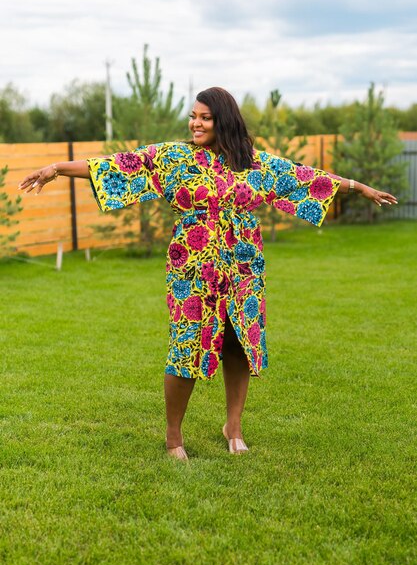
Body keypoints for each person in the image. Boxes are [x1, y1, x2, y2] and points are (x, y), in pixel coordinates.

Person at [19, 87, 398, 461]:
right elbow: (121, 164)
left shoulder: (254, 164)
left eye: (205, 117)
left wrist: (359, 187)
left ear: (223, 120)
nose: (195, 123)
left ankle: (233, 428)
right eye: (193, 116)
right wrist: (57, 168)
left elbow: (303, 178)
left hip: (244, 268)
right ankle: (173, 437)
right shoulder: (175, 158)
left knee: (238, 344)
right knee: (187, 345)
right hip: (192, 269)